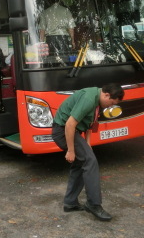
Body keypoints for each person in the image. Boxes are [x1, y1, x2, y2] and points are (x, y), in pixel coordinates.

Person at [51, 83, 124, 221]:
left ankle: (70, 203)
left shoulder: (98, 101)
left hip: (72, 132)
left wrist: (88, 143)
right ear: (106, 95)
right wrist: (71, 150)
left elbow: (91, 123)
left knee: (81, 163)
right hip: (63, 131)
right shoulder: (89, 99)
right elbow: (70, 124)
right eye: (111, 103)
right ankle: (93, 204)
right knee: (90, 161)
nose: (110, 106)